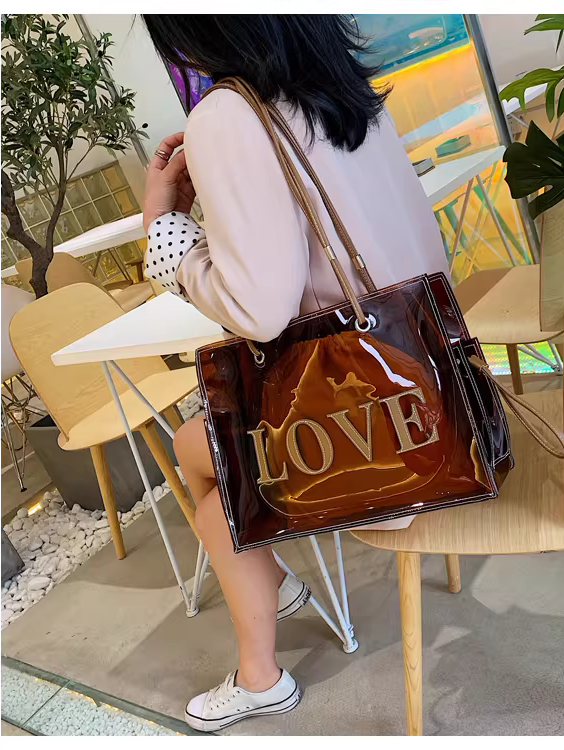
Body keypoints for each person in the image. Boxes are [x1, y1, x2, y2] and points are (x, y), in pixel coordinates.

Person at [141, 14, 448, 732]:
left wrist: (165, 228)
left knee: (217, 496)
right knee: (194, 449)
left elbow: (260, 308)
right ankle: (268, 587)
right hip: (434, 396)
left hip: (374, 439)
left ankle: (261, 674)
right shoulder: (341, 89)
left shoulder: (228, 116)